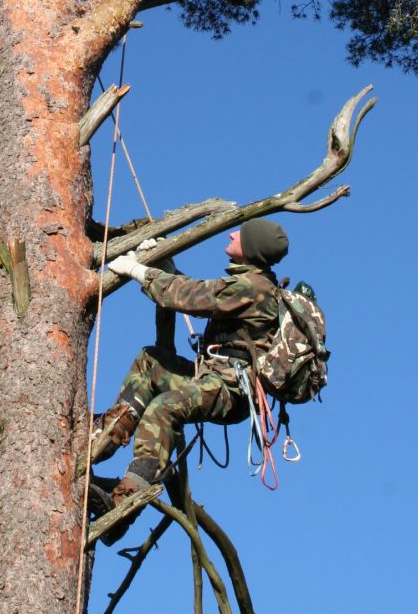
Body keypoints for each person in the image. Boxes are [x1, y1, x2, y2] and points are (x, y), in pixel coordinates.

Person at [92, 217, 290, 509]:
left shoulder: (254, 286)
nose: (233, 233)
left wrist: (140, 271)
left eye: (241, 234)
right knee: (152, 361)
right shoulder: (248, 285)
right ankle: (102, 440)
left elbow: (196, 297)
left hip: (230, 388)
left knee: (164, 408)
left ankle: (126, 502)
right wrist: (165, 268)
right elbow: (198, 295)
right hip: (214, 378)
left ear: (252, 248)